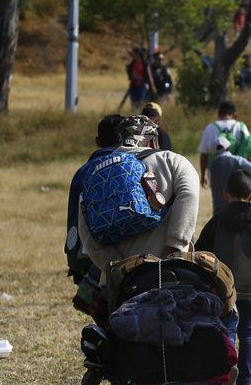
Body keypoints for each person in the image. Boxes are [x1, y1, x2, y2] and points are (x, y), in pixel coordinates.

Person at [77, 115, 200, 286]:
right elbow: (189, 195)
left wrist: (116, 265)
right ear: (153, 142)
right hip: (169, 272)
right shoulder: (172, 160)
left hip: (121, 281)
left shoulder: (97, 172)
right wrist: (175, 248)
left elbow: (85, 227)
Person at [195, 169, 251, 385]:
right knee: (248, 332)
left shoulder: (217, 221)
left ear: (225, 193)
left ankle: (225, 376)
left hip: (223, 289)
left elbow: (202, 253)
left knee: (227, 331)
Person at [66, 114, 124, 286]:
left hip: (86, 253)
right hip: (125, 253)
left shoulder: (83, 172)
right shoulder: (132, 166)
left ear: (97, 141)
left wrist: (72, 255)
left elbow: (73, 217)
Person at [198, 100, 251, 189]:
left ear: (219, 113)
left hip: (216, 173)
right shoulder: (241, 127)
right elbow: (249, 149)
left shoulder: (210, 128)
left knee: (220, 201)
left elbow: (204, 154)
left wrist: (203, 175)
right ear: (234, 114)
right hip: (238, 172)